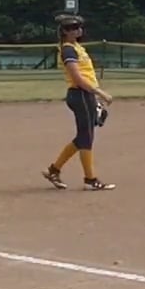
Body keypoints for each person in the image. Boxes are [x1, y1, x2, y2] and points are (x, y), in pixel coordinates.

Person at [42, 13, 116, 191]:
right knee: (86, 138)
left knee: (83, 137)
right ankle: (90, 180)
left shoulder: (76, 47)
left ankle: (54, 170)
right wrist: (100, 92)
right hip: (80, 94)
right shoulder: (68, 49)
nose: (78, 30)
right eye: (73, 28)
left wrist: (94, 97)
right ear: (65, 32)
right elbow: (77, 78)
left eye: (79, 27)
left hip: (85, 95)